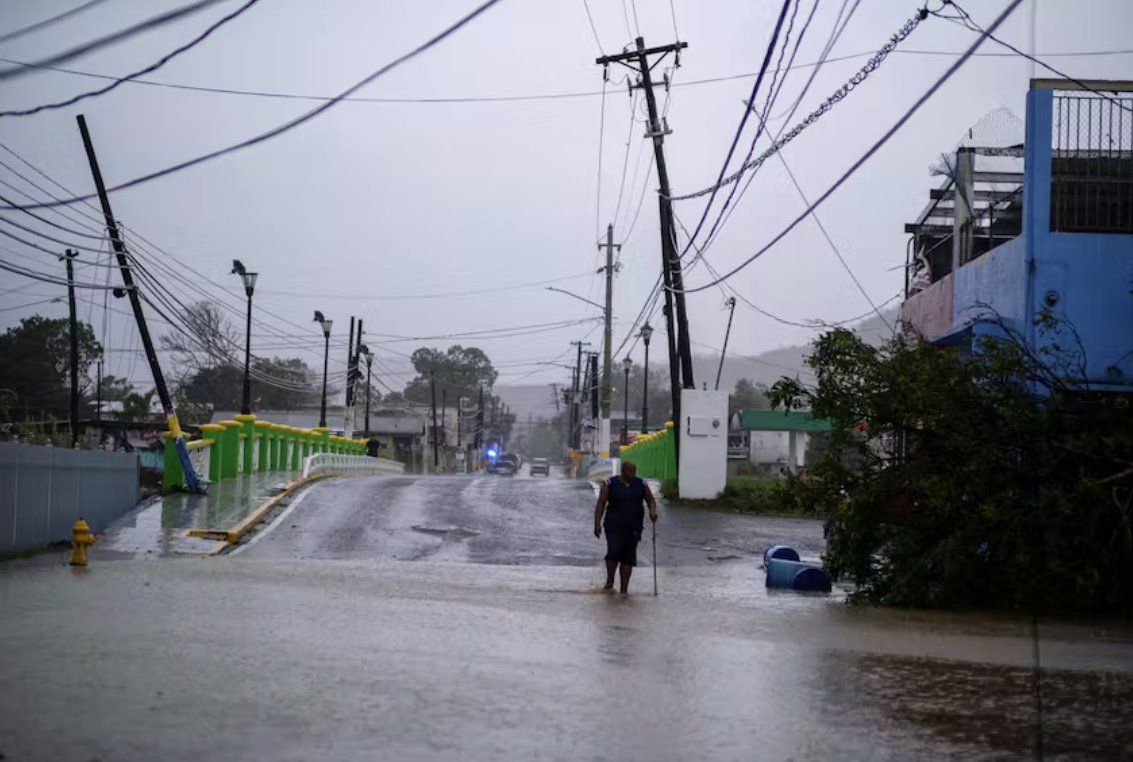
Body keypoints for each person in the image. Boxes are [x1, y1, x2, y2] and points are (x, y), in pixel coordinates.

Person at [593, 460, 657, 594]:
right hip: (614, 525)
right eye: (630, 471)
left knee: (628, 557)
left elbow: (650, 499)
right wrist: (597, 523)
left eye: (634, 471)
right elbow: (601, 503)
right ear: (623, 471)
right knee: (614, 551)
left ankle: (624, 591)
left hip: (633, 526)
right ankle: (610, 583)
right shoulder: (610, 484)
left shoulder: (641, 484)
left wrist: (652, 511)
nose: (633, 474)